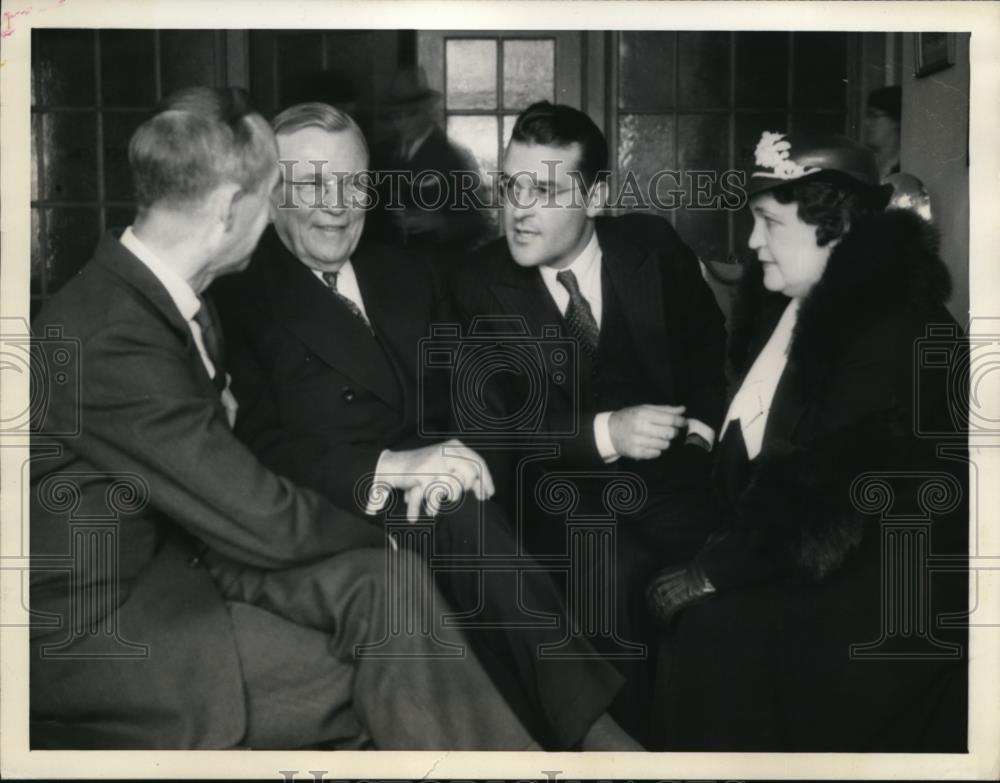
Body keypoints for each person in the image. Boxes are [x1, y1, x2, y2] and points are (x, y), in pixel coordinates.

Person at [28, 86, 555, 751]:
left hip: (187, 562)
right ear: (228, 209)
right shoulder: (112, 334)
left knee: (390, 592)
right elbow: (258, 514)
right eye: (284, 188)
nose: (302, 209)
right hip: (102, 628)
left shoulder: (160, 298)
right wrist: (386, 529)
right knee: (394, 668)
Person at [210, 101, 637, 752]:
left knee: (498, 511)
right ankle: (591, 730)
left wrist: (467, 454)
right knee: (456, 519)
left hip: (448, 490)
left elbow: (484, 398)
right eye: (312, 185)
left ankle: (562, 733)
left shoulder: (405, 273)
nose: (337, 204)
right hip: (338, 509)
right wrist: (395, 470)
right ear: (271, 194)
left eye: (354, 183)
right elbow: (259, 453)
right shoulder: (238, 300)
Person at [646, 131, 967, 751]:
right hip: (816, 547)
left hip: (898, 583)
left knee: (713, 627)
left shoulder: (895, 325)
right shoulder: (795, 303)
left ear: (838, 226)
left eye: (768, 222)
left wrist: (714, 571)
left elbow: (828, 490)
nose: (751, 242)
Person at [449, 101, 728, 740]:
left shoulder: (650, 247)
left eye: (543, 190)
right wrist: (608, 431)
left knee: (720, 572)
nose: (518, 208)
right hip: (557, 497)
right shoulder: (474, 285)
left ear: (595, 196)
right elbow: (497, 424)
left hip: (672, 480)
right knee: (617, 579)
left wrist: (699, 434)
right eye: (511, 185)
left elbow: (707, 347)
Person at [366, 65, 493, 257]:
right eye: (395, 116)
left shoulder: (451, 157)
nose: (400, 123)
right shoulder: (385, 153)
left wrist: (439, 222)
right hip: (394, 267)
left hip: (437, 271)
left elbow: (479, 224)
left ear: (426, 111)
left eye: (409, 114)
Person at [864, 84, 902, 179]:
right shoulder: (865, 165)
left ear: (895, 120)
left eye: (874, 116)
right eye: (868, 116)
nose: (867, 122)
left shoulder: (905, 168)